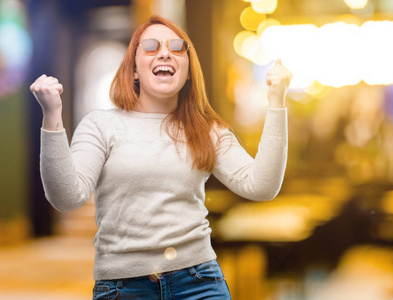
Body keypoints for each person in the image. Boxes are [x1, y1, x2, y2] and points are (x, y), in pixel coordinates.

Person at [30, 15, 291, 300]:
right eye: (151, 46)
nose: (165, 52)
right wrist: (51, 114)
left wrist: (277, 102)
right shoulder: (101, 125)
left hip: (199, 281)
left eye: (177, 47)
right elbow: (67, 197)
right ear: (133, 70)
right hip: (123, 287)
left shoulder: (206, 129)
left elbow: (262, 186)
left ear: (189, 70)